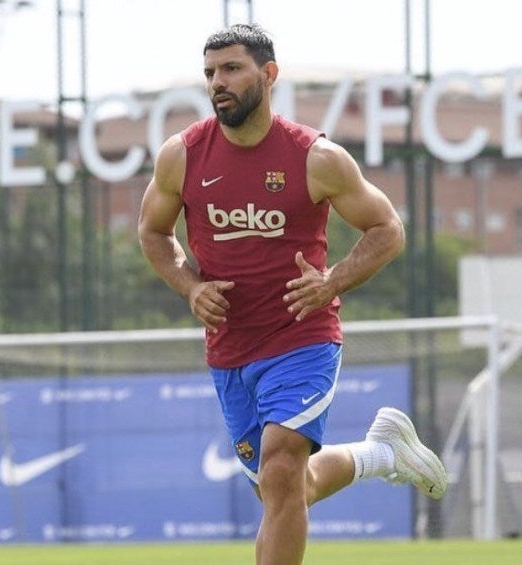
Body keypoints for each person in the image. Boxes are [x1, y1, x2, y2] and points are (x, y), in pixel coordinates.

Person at [138, 23, 447, 565]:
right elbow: (152, 232)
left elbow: (387, 229)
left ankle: (377, 454)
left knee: (280, 467)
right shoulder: (181, 156)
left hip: (302, 335)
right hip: (230, 348)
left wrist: (332, 281)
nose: (218, 83)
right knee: (284, 489)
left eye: (232, 69)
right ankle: (380, 454)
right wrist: (189, 288)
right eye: (210, 73)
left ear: (269, 74)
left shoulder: (315, 157)